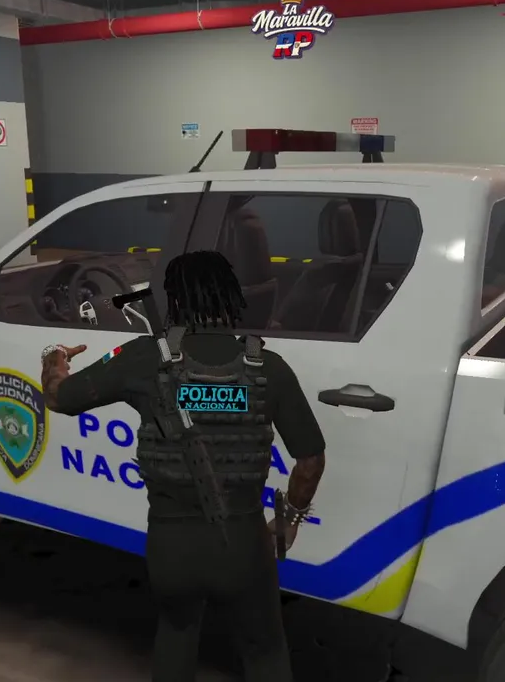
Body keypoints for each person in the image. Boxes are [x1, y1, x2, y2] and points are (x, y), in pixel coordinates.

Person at [41, 250, 327, 682]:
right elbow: (310, 460)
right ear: (233, 298)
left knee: (176, 635)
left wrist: (54, 358)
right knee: (265, 651)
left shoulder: (142, 357)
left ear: (173, 300)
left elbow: (59, 397)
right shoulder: (269, 367)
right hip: (243, 544)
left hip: (171, 545)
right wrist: (288, 521)